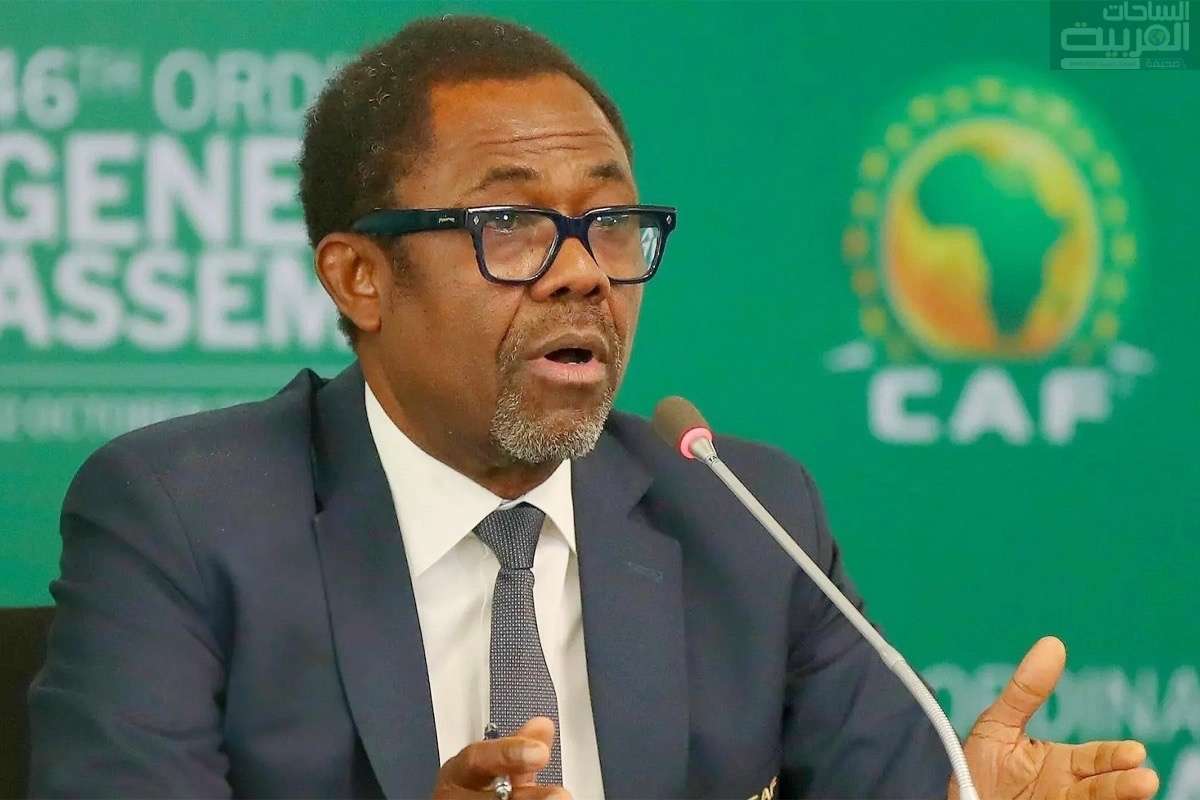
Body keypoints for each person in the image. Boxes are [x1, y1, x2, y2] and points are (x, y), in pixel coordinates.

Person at [28, 15, 1158, 800]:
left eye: (611, 225)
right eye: (511, 226)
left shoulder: (743, 515)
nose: (583, 274)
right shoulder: (183, 517)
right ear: (359, 278)